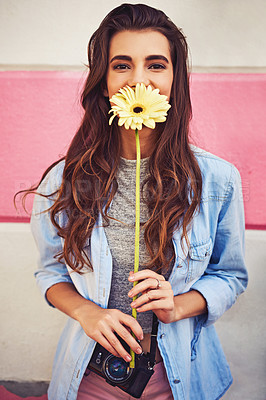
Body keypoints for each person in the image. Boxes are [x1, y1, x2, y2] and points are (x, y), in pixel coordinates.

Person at [28, 3, 248, 400]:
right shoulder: (65, 179)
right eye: (122, 65)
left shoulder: (218, 181)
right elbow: (49, 273)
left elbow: (230, 276)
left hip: (179, 377)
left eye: (156, 65)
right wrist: (86, 312)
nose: (139, 80)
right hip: (90, 376)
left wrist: (177, 306)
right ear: (104, 78)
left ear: (176, 77)